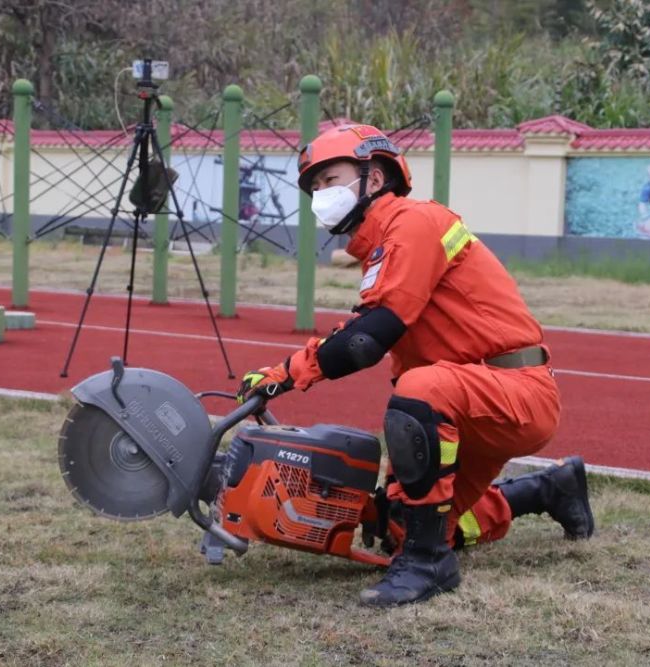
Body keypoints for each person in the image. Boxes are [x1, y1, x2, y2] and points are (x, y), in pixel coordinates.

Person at [236, 123, 594, 607]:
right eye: (314, 186)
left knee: (419, 390)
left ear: (375, 178)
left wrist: (286, 373)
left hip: (513, 390)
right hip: (470, 395)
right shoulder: (383, 245)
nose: (320, 194)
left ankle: (430, 565)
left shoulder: (413, 223)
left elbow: (368, 339)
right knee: (402, 525)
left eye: (330, 179)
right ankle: (550, 489)